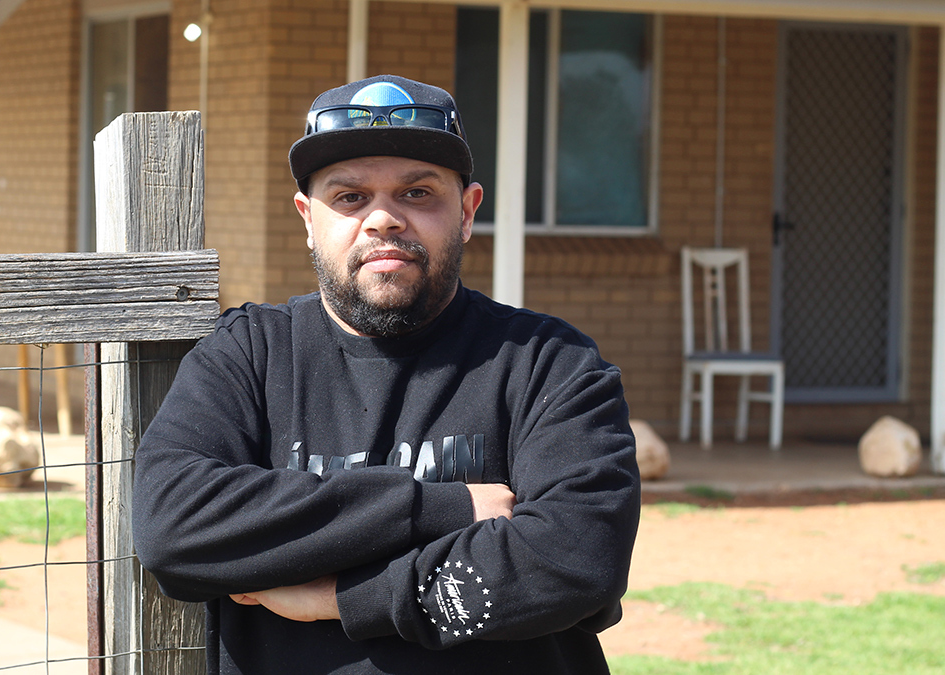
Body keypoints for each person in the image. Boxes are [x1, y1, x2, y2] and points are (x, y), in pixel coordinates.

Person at [133, 74, 640, 674]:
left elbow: (576, 562)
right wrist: (446, 510)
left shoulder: (548, 362)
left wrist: (340, 597)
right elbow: (175, 528)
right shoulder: (248, 354)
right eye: (350, 197)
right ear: (307, 218)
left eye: (417, 193)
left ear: (467, 211)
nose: (383, 219)